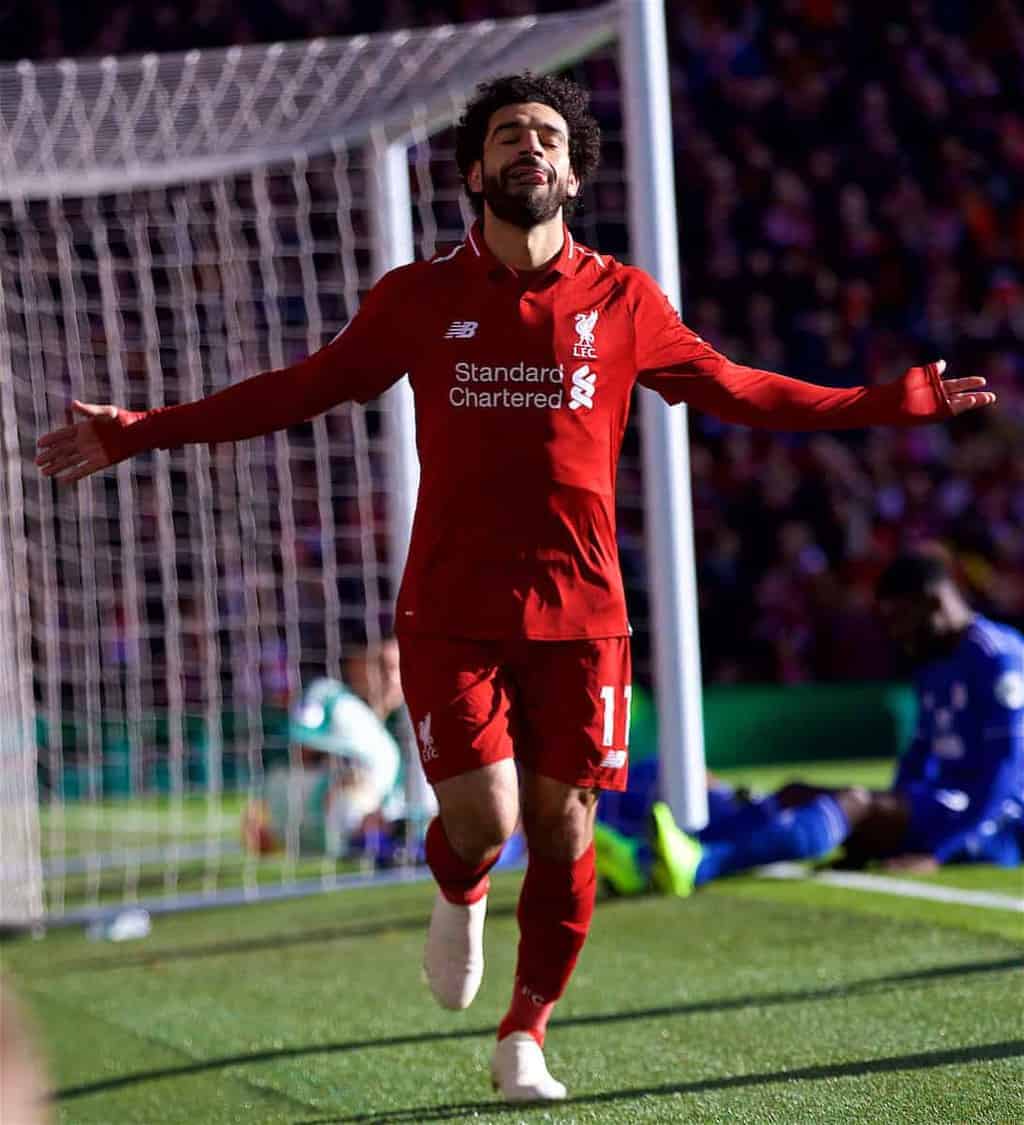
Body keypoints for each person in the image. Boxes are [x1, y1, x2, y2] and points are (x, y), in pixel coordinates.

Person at [35, 73, 996, 1102]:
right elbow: (299, 389)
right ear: (473, 172)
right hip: (451, 610)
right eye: (507, 137)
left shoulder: (623, 300)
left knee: (566, 828)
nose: (527, 148)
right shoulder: (416, 299)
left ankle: (524, 1033)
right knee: (486, 821)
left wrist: (879, 401)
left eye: (546, 136)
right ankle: (460, 886)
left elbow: (742, 391)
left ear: (572, 174)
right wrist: (145, 428)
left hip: (583, 615)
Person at [596, 545, 1024, 897]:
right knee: (795, 793)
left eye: (898, 618)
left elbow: (1005, 773)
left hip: (995, 824)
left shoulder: (997, 659)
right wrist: (889, 819)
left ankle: (703, 866)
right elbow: (919, 754)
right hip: (942, 806)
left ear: (933, 603)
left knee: (853, 803)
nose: (894, 632)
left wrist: (936, 851)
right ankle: (659, 856)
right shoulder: (934, 660)